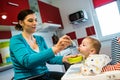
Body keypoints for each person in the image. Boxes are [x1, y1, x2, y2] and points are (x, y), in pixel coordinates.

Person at [9, 9, 77, 80]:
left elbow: (49, 59)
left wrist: (64, 59)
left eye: (35, 20)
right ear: (21, 22)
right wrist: (55, 48)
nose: (35, 23)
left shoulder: (40, 39)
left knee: (71, 77)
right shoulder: (16, 40)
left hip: (44, 74)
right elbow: (27, 61)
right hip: (28, 78)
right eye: (30, 20)